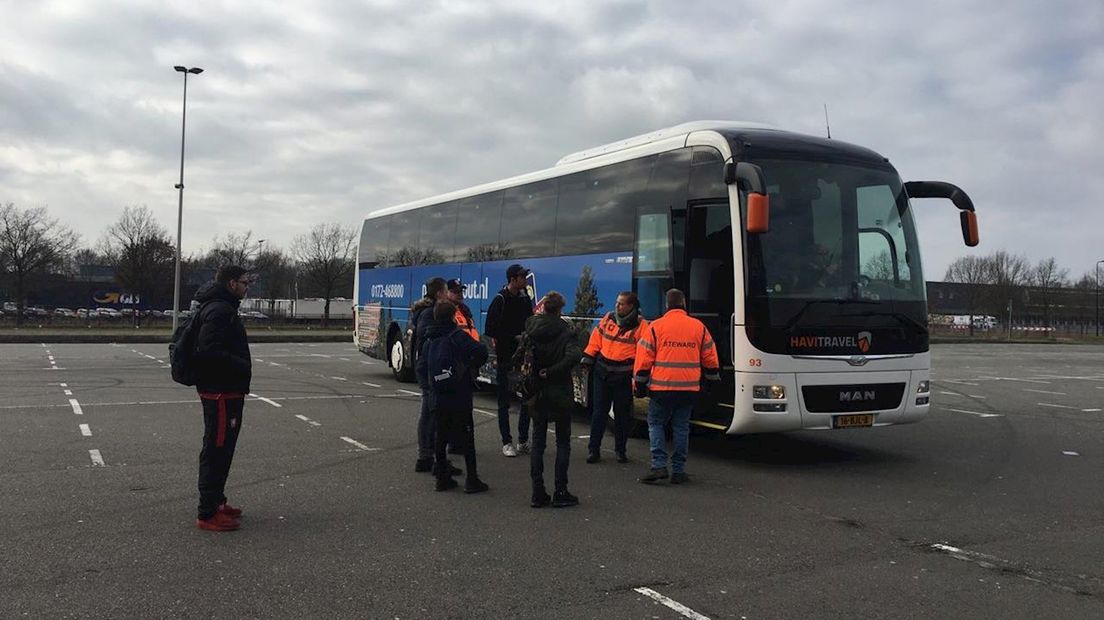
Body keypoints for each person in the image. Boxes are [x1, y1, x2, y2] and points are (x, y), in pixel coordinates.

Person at [633, 289, 720, 485]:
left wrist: (639, 384)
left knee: (655, 424)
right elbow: (710, 358)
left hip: (661, 388)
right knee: (681, 427)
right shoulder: (699, 327)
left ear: (667, 305)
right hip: (689, 388)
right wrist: (712, 381)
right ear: (684, 304)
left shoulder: (656, 327)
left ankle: (659, 466)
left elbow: (644, 359)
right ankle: (679, 470)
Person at [192, 265, 253, 531]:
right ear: (231, 284)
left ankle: (217, 500)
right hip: (220, 391)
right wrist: (240, 365)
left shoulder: (221, 306)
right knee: (216, 449)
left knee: (223, 448)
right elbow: (209, 351)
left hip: (226, 389)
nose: (247, 286)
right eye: (244, 282)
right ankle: (207, 512)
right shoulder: (219, 310)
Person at [417, 300, 490, 493]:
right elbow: (481, 352)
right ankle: (472, 479)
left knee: (440, 437)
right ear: (452, 317)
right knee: (467, 438)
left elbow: (422, 367)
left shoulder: (429, 339)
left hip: (437, 397)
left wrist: (431, 386)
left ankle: (442, 478)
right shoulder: (457, 336)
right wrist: (468, 365)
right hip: (459, 395)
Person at [520, 291, 582, 508]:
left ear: (544, 307)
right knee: (563, 442)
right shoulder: (566, 331)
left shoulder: (531, 329)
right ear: (560, 309)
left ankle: (537, 492)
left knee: (538, 442)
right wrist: (554, 371)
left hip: (537, 391)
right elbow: (574, 356)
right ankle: (560, 490)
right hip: (560, 390)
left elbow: (519, 356)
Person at [581, 291, 648, 464]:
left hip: (623, 375)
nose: (617, 306)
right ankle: (593, 450)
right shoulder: (609, 318)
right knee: (599, 413)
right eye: (617, 303)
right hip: (602, 371)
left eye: (621, 304)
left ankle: (620, 450)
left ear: (631, 306)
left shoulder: (642, 326)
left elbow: (643, 352)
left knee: (622, 415)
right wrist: (588, 357)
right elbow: (596, 338)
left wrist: (639, 376)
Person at [411, 277, 460, 476]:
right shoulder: (429, 314)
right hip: (431, 367)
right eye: (447, 290)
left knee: (432, 412)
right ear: (439, 293)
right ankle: (427, 456)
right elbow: (426, 335)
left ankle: (430, 456)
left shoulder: (427, 311)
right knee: (431, 413)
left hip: (428, 366)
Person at [484, 263, 533, 457]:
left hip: (523, 357)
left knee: (527, 399)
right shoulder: (500, 300)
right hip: (506, 356)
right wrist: (513, 337)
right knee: (504, 401)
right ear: (513, 279)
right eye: (522, 277)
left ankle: (522, 439)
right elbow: (490, 329)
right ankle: (507, 441)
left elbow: (529, 322)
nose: (524, 280)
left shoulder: (524, 298)